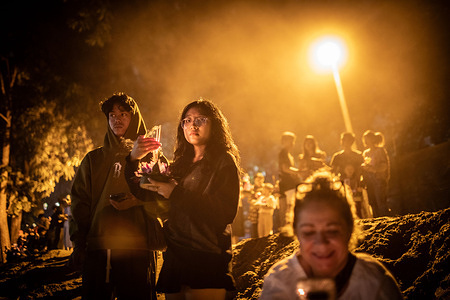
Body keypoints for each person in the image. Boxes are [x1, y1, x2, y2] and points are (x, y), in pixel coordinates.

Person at [125, 98, 241, 300]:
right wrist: (133, 159)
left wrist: (176, 193)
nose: (192, 125)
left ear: (214, 124)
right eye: (187, 120)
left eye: (200, 119)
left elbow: (225, 212)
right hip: (176, 257)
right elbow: (148, 195)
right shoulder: (180, 164)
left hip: (206, 257)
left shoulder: (223, 161)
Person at [69, 93, 162, 300]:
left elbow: (164, 201)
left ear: (135, 118)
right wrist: (79, 242)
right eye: (112, 115)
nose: (117, 119)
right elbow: (79, 202)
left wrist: (138, 201)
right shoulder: (93, 159)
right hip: (99, 246)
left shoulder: (153, 158)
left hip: (138, 246)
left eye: (124, 114)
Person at [260, 171, 403, 300]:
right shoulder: (279, 283)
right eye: (309, 232)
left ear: (350, 228)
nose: (321, 242)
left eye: (332, 231)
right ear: (296, 233)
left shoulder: (374, 283)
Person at [361, 130, 391, 217]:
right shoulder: (365, 153)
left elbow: (384, 166)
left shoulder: (380, 151)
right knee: (372, 203)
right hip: (369, 182)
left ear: (373, 139)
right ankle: (377, 222)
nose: (365, 141)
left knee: (381, 202)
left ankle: (386, 220)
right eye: (364, 139)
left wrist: (373, 169)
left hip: (379, 180)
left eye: (367, 139)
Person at [278, 132, 300, 235]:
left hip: (289, 185)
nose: (291, 143)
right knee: (288, 208)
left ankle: (287, 230)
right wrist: (300, 171)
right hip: (287, 186)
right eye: (288, 141)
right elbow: (285, 169)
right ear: (283, 142)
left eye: (292, 141)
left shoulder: (288, 154)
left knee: (288, 208)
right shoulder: (283, 153)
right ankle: (285, 232)